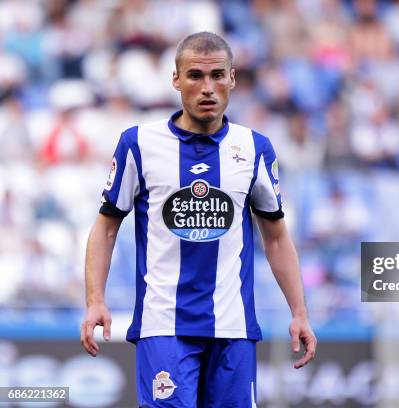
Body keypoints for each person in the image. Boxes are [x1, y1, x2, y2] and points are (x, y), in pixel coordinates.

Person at [80, 31, 317, 407]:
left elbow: (275, 237)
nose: (207, 87)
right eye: (195, 76)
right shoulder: (138, 144)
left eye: (217, 75)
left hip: (234, 328)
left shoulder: (254, 148)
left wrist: (299, 311)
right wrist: (95, 300)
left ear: (233, 79)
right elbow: (106, 227)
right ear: (176, 79)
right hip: (164, 327)